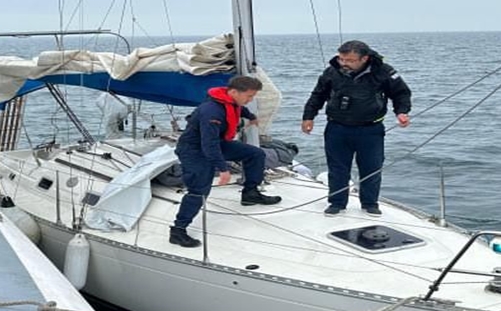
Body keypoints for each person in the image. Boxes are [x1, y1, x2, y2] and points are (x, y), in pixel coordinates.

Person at [300, 40, 411, 216]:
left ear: (364, 58)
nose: (344, 63)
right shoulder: (332, 71)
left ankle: (370, 203)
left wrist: (402, 112)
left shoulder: (384, 72)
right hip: (337, 127)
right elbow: (318, 95)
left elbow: (401, 93)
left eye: (349, 60)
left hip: (370, 129)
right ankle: (337, 203)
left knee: (372, 167)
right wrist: (308, 116)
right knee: (337, 168)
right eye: (341, 59)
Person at [169, 76, 281, 248]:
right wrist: (223, 168)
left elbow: (237, 109)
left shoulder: (229, 100)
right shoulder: (211, 112)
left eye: (252, 97)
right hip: (194, 150)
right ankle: (178, 230)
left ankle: (250, 194)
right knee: (199, 189)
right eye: (249, 96)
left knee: (256, 154)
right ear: (234, 92)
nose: (250, 100)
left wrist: (250, 116)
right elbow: (209, 144)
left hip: (216, 144)